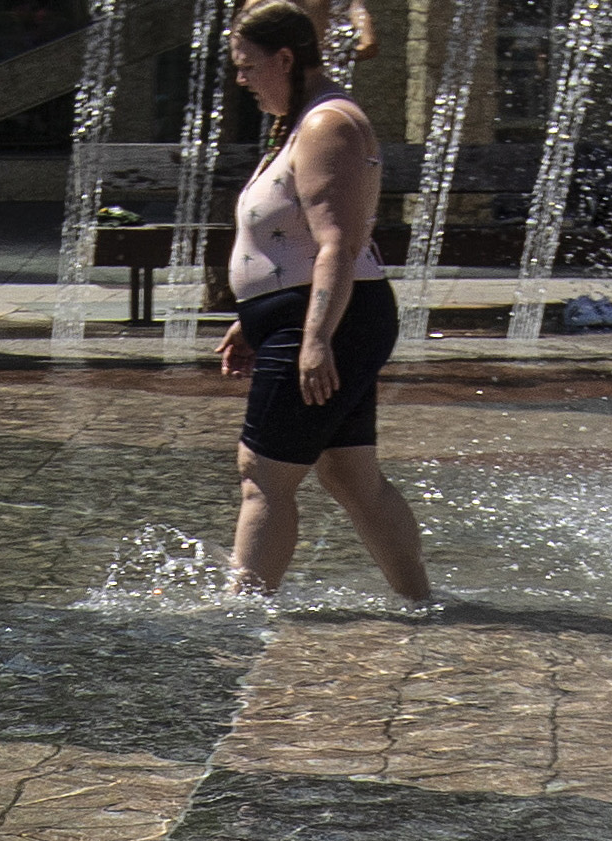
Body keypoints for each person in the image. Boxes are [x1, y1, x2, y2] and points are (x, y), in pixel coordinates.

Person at [219, 3, 433, 605]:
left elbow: (339, 241)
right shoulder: (303, 120)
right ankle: (420, 602)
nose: (242, 80)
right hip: (321, 315)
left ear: (286, 59)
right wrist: (252, 318)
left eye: (248, 67)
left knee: (262, 473)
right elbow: (292, 240)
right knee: (349, 473)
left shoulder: (326, 126)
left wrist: (314, 338)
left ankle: (242, 614)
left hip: (331, 320)